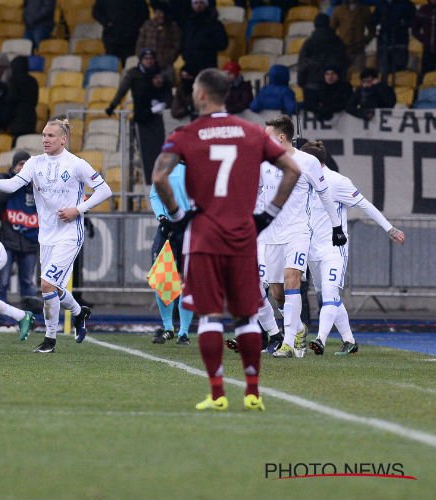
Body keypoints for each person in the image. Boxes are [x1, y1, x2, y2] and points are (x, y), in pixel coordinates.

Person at [151, 68, 301, 411]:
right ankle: (252, 392)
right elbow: (293, 169)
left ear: (202, 94)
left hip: (204, 235)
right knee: (247, 316)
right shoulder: (251, 133)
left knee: (210, 316)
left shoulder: (186, 134)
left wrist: (177, 216)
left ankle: (217, 393)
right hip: (243, 235)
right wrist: (269, 214)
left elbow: (160, 176)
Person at [0, 119, 113, 353]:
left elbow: (105, 190)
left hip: (69, 234)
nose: (45, 139)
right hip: (45, 236)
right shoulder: (35, 163)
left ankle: (50, 340)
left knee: (46, 284)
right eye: (44, 135)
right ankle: (80, 313)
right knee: (54, 288)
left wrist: (77, 210)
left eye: (50, 136)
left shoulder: (76, 164)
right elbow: (14, 184)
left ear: (63, 139)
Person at [300, 141, 405, 356]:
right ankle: (349, 341)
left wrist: (389, 228)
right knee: (327, 298)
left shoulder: (338, 182)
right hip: (311, 251)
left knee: (329, 295)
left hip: (333, 248)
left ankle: (319, 339)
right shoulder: (301, 183)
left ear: (312, 162)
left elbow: (365, 204)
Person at [260, 115, 347, 359]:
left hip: (298, 231)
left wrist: (336, 227)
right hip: (271, 235)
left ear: (281, 137)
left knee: (292, 279)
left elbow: (324, 193)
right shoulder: (262, 162)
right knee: (276, 293)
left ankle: (288, 342)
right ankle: (298, 328)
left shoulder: (306, 161)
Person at [0, 150, 40, 320]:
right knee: (2, 282)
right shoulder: (5, 179)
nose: (24, 168)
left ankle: (28, 319)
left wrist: (34, 183)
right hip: (7, 240)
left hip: (31, 241)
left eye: (27, 165)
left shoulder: (38, 183)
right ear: (14, 166)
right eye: (21, 165)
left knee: (28, 283)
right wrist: (17, 180)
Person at [106, 48, 172, 181]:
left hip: (157, 118)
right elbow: (122, 90)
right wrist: (112, 106)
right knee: (145, 151)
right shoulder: (133, 73)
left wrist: (163, 103)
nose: (149, 61)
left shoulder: (159, 74)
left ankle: (160, 178)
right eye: (146, 59)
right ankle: (149, 179)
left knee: (159, 150)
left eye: (151, 59)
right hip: (142, 118)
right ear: (141, 60)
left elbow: (168, 91)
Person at [148, 162, 193, 345]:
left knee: (187, 280)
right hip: (168, 228)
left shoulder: (200, 168)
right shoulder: (164, 168)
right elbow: (155, 194)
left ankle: (183, 332)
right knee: (163, 278)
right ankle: (168, 328)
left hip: (191, 228)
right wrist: (162, 216)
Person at [297, 13, 349, 92]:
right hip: (334, 84)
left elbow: (303, 64)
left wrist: (301, 82)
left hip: (313, 83)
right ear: (329, 23)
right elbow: (344, 62)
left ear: (315, 25)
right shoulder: (338, 41)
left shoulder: (309, 42)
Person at [93, 0, 150, 65]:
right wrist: (107, 22)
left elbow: (145, 14)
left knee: (130, 64)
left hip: (131, 39)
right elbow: (96, 12)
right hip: (112, 38)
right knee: (111, 65)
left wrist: (134, 27)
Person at [330, 0, 375, 72]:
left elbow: (372, 30)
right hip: (343, 50)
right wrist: (337, 43)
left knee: (358, 76)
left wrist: (365, 41)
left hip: (359, 50)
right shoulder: (338, 10)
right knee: (342, 75)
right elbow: (331, 30)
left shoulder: (364, 10)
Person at [373, 0, 417, 75]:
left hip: (400, 41)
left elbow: (414, 21)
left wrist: (402, 23)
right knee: (383, 70)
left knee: (399, 70)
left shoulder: (407, 4)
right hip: (384, 41)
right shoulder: (381, 4)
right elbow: (374, 21)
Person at [135, 7, 182, 72]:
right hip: (145, 65)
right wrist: (144, 58)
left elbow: (176, 45)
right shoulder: (147, 25)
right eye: (158, 12)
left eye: (162, 13)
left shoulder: (173, 26)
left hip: (165, 65)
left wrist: (167, 59)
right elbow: (139, 44)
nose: (160, 15)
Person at [6, 56, 39, 139]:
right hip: (30, 118)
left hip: (16, 119)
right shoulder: (33, 81)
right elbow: (35, 101)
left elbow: (11, 100)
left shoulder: (13, 81)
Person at [412, 0, 436, 76]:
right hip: (427, 48)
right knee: (426, 74)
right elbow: (415, 29)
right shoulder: (423, 9)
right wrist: (424, 39)